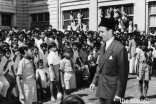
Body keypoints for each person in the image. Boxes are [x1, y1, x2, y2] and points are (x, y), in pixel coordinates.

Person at [89, 18, 129, 104]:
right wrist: (94, 82)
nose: (100, 34)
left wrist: (119, 93)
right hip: (101, 89)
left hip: (112, 92)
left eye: (102, 32)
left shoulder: (119, 48)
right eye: (99, 32)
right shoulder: (103, 46)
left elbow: (123, 74)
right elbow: (100, 67)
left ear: (110, 31)